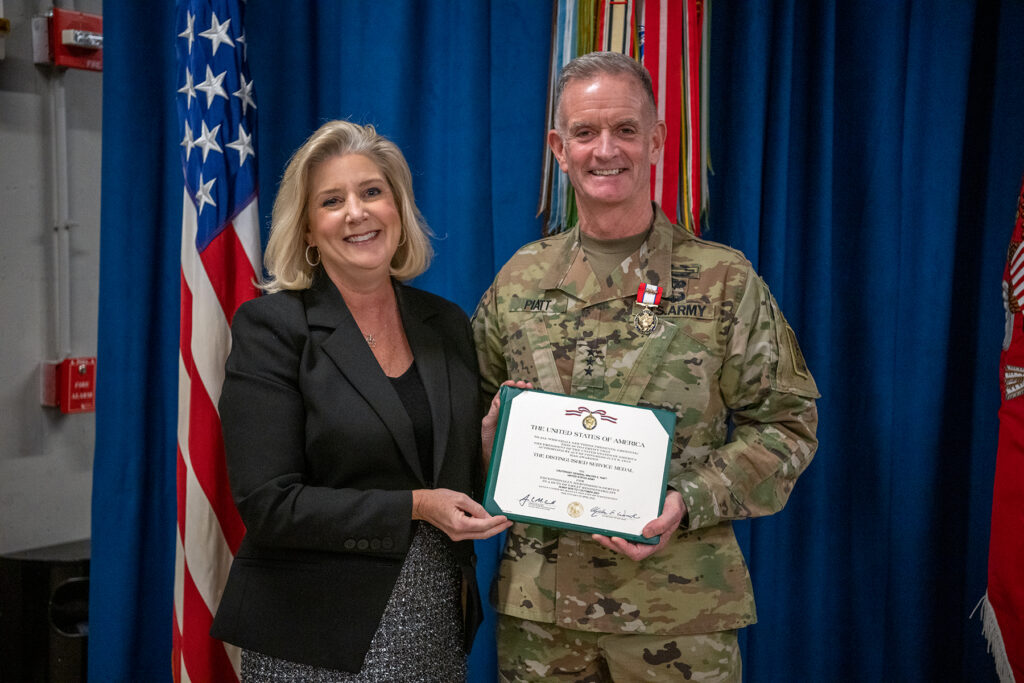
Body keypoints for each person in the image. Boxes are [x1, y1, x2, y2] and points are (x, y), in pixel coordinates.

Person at [473, 52, 820, 682]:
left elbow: (788, 425)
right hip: (543, 624)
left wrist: (687, 499)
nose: (606, 150)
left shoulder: (722, 280)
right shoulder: (520, 280)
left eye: (626, 130)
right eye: (585, 132)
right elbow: (465, 417)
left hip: (679, 616)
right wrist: (488, 436)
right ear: (559, 147)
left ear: (656, 140)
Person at [211, 120, 511, 681]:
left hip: (436, 627)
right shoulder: (272, 329)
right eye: (332, 200)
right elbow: (270, 504)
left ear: (398, 209)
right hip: (310, 633)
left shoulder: (444, 323)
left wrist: (488, 450)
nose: (357, 212)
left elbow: (442, 472)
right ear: (306, 229)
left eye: (372, 192)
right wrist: (416, 506)